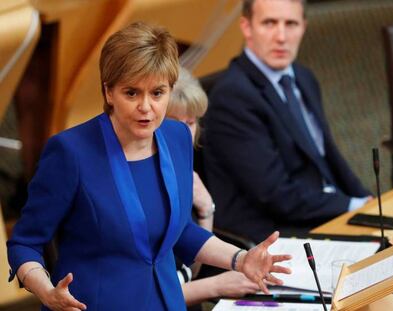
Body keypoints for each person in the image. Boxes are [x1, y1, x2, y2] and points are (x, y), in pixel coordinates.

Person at [7, 22, 292, 311]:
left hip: (168, 303)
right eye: (131, 93)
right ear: (109, 92)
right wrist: (46, 293)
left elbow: (179, 230)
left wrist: (241, 259)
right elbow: (25, 243)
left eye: (157, 93)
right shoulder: (71, 152)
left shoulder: (178, 137)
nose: (146, 106)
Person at [203, 0, 371, 243]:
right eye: (269, 23)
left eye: (290, 24)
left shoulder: (303, 77)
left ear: (303, 27)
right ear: (246, 27)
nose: (281, 37)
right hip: (274, 234)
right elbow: (275, 195)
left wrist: (368, 201)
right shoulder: (232, 97)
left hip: (319, 210)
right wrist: (351, 205)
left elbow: (328, 156)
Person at [167, 68, 259, 306]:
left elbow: (190, 271)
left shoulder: (183, 174)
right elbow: (146, 299)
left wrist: (206, 210)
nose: (185, 133)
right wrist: (216, 285)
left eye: (190, 122)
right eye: (175, 123)